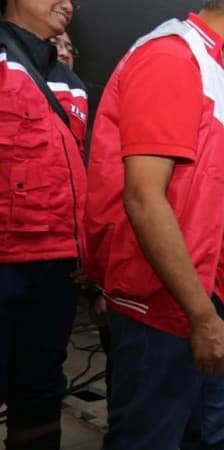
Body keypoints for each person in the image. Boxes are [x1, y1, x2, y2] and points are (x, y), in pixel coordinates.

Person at [83, 1, 224, 448]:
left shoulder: (215, 71)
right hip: (169, 304)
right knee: (151, 436)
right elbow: (144, 197)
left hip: (215, 292)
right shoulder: (172, 58)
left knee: (210, 434)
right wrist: (202, 318)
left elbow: (214, 198)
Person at [0, 0, 88, 448]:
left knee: (40, 391)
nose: (68, 3)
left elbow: (78, 173)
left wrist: (83, 249)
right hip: (5, 263)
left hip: (56, 269)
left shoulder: (71, 83)